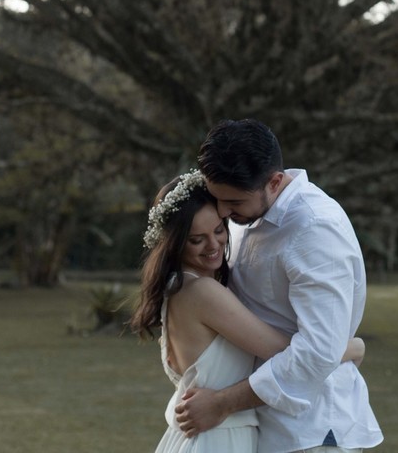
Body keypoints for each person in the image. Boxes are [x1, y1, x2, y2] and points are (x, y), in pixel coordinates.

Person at [174, 119, 383, 453]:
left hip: (310, 433)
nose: (223, 212)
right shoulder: (247, 215)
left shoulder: (315, 228)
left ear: (274, 182)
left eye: (234, 203)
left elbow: (318, 353)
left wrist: (223, 403)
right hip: (255, 428)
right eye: (218, 199)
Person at [130, 170, 365, 453]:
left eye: (219, 230)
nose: (213, 245)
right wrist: (351, 348)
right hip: (217, 438)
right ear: (175, 243)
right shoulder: (202, 291)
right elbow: (281, 350)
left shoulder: (178, 287)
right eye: (196, 240)